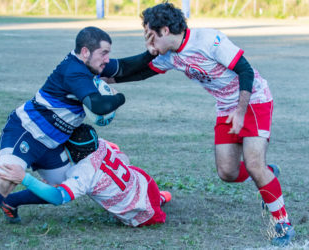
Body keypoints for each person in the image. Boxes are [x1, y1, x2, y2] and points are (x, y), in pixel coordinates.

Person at [0, 26, 157, 249]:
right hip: (26, 132)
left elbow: (125, 68)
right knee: (5, 180)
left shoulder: (90, 65)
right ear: (85, 52)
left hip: (53, 143)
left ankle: (10, 203)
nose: (107, 59)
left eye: (108, 53)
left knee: (59, 189)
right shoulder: (74, 71)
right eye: (104, 53)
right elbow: (98, 105)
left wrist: (154, 57)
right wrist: (120, 98)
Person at [110, 3, 295, 247]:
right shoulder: (170, 55)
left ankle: (282, 223)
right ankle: (265, 174)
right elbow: (137, 71)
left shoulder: (208, 39)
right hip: (226, 107)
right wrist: (102, 75)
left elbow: (246, 71)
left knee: (253, 163)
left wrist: (240, 112)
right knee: (227, 172)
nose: (147, 39)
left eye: (150, 34)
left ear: (164, 30)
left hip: (253, 99)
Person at [0, 124, 172, 227]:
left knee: (58, 186)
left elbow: (58, 198)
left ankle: (158, 201)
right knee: (154, 197)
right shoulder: (100, 144)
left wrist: (25, 178)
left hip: (139, 212)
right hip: (144, 181)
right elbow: (119, 152)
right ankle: (159, 198)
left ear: (74, 151)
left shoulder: (84, 172)